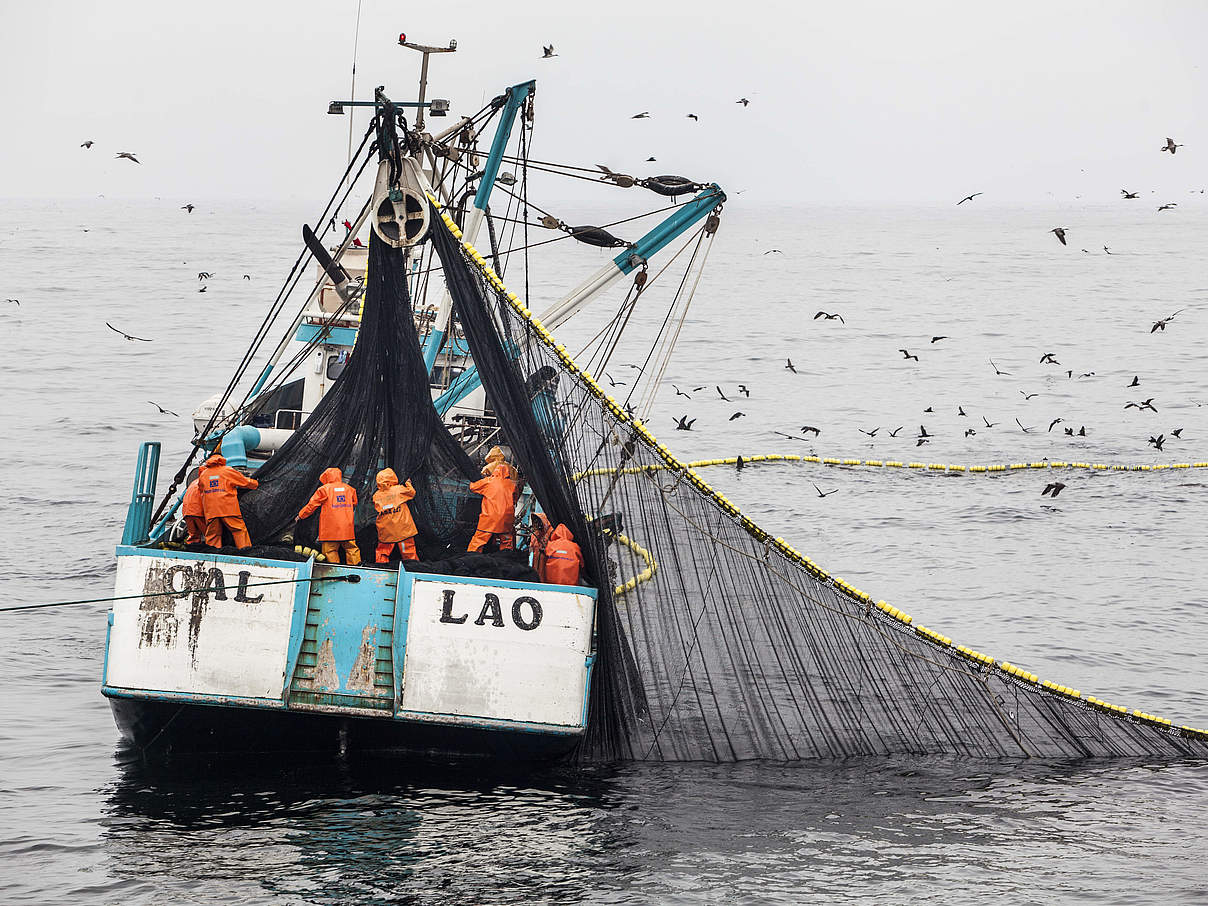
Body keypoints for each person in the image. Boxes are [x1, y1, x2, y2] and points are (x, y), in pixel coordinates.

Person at [297, 467, 361, 565]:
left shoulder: (324, 490)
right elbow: (354, 503)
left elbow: (311, 505)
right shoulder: (350, 489)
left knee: (330, 551)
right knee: (351, 548)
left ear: (326, 477)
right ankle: (356, 570)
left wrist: (301, 515)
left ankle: (334, 571)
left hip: (330, 529)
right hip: (346, 528)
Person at [198, 452, 259, 550]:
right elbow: (244, 482)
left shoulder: (204, 474)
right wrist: (256, 484)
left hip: (211, 511)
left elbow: (201, 491)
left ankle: (212, 555)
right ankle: (245, 552)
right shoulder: (227, 471)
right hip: (228, 509)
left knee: (213, 535)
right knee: (238, 530)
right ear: (221, 459)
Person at [467, 462, 517, 552]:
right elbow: (515, 500)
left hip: (489, 519)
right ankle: (506, 559)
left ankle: (471, 557)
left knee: (479, 540)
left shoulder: (488, 481)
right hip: (506, 519)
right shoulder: (512, 485)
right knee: (507, 542)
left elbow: (473, 487)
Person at [373, 468, 418, 564]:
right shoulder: (399, 490)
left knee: (383, 552)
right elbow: (412, 493)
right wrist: (408, 483)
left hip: (386, 531)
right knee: (408, 552)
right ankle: (413, 569)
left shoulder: (376, 495)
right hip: (403, 529)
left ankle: (381, 570)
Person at [182, 476, 205, 544]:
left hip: (186, 512)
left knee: (193, 535)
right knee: (211, 535)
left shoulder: (193, 482)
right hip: (199, 512)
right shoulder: (209, 481)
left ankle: (191, 548)